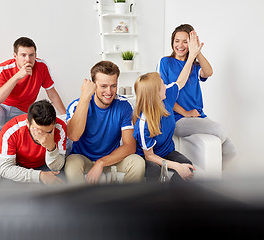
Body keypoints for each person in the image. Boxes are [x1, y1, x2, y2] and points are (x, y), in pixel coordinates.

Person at [157, 24, 236, 167]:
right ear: (172, 42)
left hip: (197, 116)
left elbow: (208, 72)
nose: (180, 45)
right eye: (177, 41)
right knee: (220, 130)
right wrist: (185, 113)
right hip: (177, 119)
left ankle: (214, 184)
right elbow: (164, 97)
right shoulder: (165, 62)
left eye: (185, 41)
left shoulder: (194, 66)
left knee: (230, 151)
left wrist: (197, 52)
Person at [65, 60, 145, 184]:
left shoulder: (124, 105)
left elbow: (129, 146)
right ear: (93, 85)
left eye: (113, 86)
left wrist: (101, 162)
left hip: (110, 159)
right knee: (71, 164)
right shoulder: (76, 105)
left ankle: (128, 202)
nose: (109, 92)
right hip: (83, 159)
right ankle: (83, 202)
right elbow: (74, 136)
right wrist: (85, 97)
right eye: (103, 86)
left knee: (137, 162)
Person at [0, 37, 66, 139]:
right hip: (3, 108)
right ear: (15, 56)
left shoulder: (41, 66)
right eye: (23, 55)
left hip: (23, 112)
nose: (28, 59)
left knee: (14, 135)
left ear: (36, 55)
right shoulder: (3, 69)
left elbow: (52, 94)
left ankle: (0, 137)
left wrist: (65, 116)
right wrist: (17, 76)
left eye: (31, 55)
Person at [0, 100, 66, 185]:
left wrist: (51, 148)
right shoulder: (11, 130)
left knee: (61, 183)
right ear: (28, 123)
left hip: (46, 166)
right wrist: (39, 176)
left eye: (48, 132)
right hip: (18, 167)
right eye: (37, 130)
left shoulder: (60, 128)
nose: (42, 137)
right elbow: (5, 168)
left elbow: (57, 167)